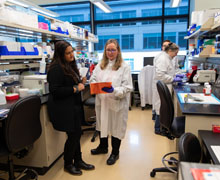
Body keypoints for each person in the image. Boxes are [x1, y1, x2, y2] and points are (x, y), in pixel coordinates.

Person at [47, 40, 95, 176]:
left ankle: (78, 160)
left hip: (73, 106)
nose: (71, 55)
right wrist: (75, 88)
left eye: (72, 52)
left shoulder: (69, 65)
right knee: (73, 135)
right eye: (68, 53)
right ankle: (68, 163)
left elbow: (72, 83)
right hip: (63, 108)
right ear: (60, 54)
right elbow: (55, 91)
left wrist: (81, 82)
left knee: (77, 133)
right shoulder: (56, 68)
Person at [89, 39, 133, 165]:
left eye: (113, 49)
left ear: (118, 51)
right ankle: (103, 147)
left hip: (116, 102)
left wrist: (114, 90)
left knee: (116, 127)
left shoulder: (124, 67)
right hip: (102, 102)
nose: (110, 52)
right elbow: (93, 79)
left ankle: (115, 152)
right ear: (105, 51)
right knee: (102, 124)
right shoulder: (100, 65)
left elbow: (128, 87)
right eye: (108, 49)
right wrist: (94, 84)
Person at [152, 42, 182, 136]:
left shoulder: (168, 58)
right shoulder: (163, 59)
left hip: (166, 84)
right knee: (160, 107)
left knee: (163, 107)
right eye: (175, 53)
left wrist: (176, 75)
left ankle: (163, 128)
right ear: (169, 51)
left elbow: (170, 70)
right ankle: (158, 129)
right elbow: (160, 75)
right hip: (162, 85)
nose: (176, 55)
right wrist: (173, 79)